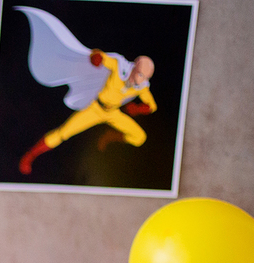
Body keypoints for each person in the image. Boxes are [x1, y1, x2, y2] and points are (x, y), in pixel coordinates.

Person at [19, 49, 157, 175]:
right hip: (95, 109)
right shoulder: (119, 66)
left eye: (146, 77)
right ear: (134, 67)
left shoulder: (142, 86)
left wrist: (139, 109)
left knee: (139, 137)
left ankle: (110, 137)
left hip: (113, 113)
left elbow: (152, 106)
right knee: (63, 133)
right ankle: (30, 155)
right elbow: (100, 56)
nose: (141, 80)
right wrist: (96, 58)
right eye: (140, 74)